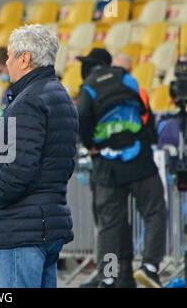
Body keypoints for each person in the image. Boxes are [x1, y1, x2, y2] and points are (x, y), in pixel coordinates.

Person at [0, 24, 79, 288]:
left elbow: (19, 167)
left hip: (21, 228)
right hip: (45, 224)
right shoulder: (60, 96)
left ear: (25, 58)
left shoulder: (29, 101)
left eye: (10, 56)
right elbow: (64, 163)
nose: (7, 62)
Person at [76, 48, 167, 288]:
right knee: (155, 212)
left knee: (109, 225)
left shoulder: (88, 87)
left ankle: (107, 277)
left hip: (107, 164)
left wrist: (91, 144)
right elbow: (146, 113)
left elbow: (82, 117)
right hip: (139, 158)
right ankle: (150, 267)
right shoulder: (127, 79)